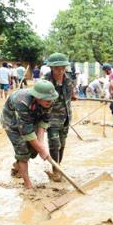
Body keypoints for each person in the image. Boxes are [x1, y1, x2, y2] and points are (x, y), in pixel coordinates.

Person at [1, 80, 58, 189]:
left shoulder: (50, 101)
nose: (50, 101)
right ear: (38, 97)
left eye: (51, 99)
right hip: (11, 122)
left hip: (31, 119)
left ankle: (17, 166)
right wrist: (42, 150)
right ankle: (28, 185)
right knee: (23, 151)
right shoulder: (22, 101)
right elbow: (27, 132)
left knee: (34, 150)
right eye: (47, 99)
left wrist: (41, 146)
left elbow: (43, 122)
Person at [43, 53, 76, 182]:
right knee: (54, 144)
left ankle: (58, 166)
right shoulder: (46, 82)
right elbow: (40, 99)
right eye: (57, 68)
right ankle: (55, 171)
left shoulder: (68, 80)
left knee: (62, 144)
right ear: (51, 68)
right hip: (51, 118)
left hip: (66, 117)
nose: (61, 70)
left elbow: (71, 94)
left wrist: (73, 95)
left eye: (63, 67)